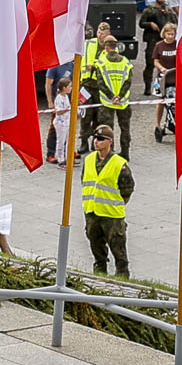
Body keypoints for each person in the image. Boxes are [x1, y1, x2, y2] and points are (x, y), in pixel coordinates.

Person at [80, 125, 135, 275]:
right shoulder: (89, 159)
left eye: (100, 139)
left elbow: (127, 190)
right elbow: (84, 181)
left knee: (120, 254)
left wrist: (114, 203)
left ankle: (123, 280)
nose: (96, 142)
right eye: (95, 138)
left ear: (109, 141)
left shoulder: (119, 164)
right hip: (92, 213)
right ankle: (100, 277)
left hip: (112, 216)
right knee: (97, 252)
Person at [89, 32, 134, 157]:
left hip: (107, 102)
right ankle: (125, 153)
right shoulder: (125, 62)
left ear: (106, 47)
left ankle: (110, 153)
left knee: (107, 129)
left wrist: (111, 97)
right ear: (116, 46)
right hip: (123, 102)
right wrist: (119, 96)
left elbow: (100, 83)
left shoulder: (102, 63)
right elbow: (128, 82)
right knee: (125, 128)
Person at [150, 26, 177, 143]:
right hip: (162, 77)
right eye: (168, 34)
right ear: (164, 34)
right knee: (160, 101)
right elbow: (155, 60)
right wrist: (162, 68)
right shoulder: (159, 45)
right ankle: (158, 124)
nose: (170, 37)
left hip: (176, 75)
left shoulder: (178, 44)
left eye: (172, 34)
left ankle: (176, 121)